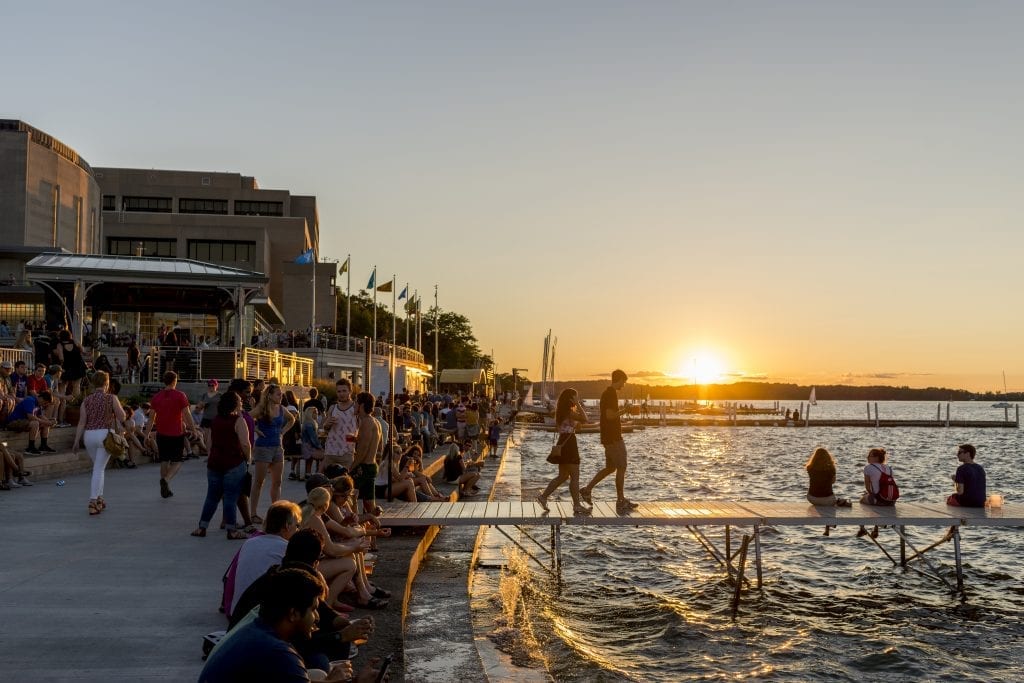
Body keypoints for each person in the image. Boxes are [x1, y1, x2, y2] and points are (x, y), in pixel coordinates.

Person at [192, 391, 253, 539]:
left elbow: (210, 442)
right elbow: (245, 444)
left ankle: (202, 527)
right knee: (231, 497)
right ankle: (231, 530)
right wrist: (248, 459)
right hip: (233, 463)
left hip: (215, 463)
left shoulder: (215, 420)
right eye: (239, 400)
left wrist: (211, 456)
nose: (241, 402)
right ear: (234, 404)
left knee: (212, 497)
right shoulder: (239, 421)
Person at [230, 500, 303, 617]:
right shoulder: (286, 548)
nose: (298, 530)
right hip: (259, 616)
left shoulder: (249, 543)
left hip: (237, 614)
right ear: (287, 526)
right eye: (297, 525)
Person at [580, 370, 638, 514]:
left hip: (608, 436)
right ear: (618, 379)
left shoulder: (607, 393)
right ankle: (621, 500)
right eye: (623, 382)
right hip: (613, 438)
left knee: (611, 468)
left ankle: (587, 490)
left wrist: (621, 414)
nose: (624, 385)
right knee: (622, 466)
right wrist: (625, 410)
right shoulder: (611, 393)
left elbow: (608, 416)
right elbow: (610, 415)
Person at [72, 371, 127, 516]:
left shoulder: (87, 400)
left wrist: (76, 440)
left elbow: (82, 422)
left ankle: (100, 499)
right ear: (107, 383)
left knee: (98, 467)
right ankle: (92, 501)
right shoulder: (111, 398)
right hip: (105, 434)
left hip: (88, 435)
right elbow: (122, 416)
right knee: (99, 469)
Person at [537, 388, 592, 515]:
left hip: (563, 442)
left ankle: (543, 497)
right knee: (575, 477)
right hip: (569, 444)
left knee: (563, 476)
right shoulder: (568, 412)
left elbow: (578, 424)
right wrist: (578, 404)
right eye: (575, 397)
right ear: (570, 399)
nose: (577, 399)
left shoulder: (563, 411)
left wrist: (576, 413)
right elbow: (585, 419)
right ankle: (577, 506)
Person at [249, 384, 297, 524]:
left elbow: (292, 419)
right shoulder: (262, 409)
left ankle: (276, 513)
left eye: (281, 394)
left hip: (278, 448)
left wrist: (283, 432)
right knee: (259, 482)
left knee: (277, 482)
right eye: (278, 394)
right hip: (263, 448)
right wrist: (256, 429)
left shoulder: (282, 409)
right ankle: (253, 514)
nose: (281, 396)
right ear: (269, 395)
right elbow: (246, 418)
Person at [148, 370, 199, 498]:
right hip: (176, 432)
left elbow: (151, 418)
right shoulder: (180, 395)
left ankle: (165, 489)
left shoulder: (156, 397)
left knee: (164, 460)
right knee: (178, 460)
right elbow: (187, 415)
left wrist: (146, 434)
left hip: (161, 433)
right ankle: (166, 480)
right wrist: (193, 429)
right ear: (175, 381)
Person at [351, 391, 381, 514]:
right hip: (372, 465)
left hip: (364, 467)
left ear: (361, 405)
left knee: (350, 496)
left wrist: (351, 468)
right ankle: (373, 525)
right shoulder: (375, 422)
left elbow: (362, 450)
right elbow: (379, 448)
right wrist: (357, 439)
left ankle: (355, 523)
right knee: (369, 503)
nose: (353, 405)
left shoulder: (366, 423)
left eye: (355, 403)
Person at [322, 378, 357, 470]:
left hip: (347, 453)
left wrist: (354, 440)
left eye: (344, 391)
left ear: (350, 391)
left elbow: (362, 429)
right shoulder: (333, 408)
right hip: (330, 452)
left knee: (345, 482)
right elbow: (325, 429)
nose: (341, 394)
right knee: (328, 482)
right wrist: (327, 425)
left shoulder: (356, 408)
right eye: (339, 391)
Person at [53, 329, 87, 399]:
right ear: (69, 335)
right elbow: (83, 351)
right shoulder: (75, 341)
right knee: (76, 386)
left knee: (63, 386)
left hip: (67, 367)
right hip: (78, 366)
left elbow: (61, 358)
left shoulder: (60, 345)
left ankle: (63, 401)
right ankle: (76, 402)